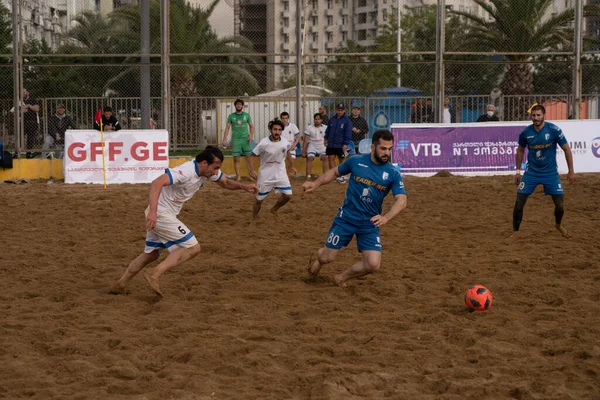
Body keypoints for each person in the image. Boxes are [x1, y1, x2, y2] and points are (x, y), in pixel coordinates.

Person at [110, 146, 258, 297]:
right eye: (216, 168)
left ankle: (120, 284)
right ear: (205, 163)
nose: (216, 172)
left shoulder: (206, 172)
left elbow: (226, 182)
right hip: (161, 215)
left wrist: (244, 187)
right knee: (193, 247)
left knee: (151, 254)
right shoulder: (186, 171)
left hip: (163, 214)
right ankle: (154, 274)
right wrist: (153, 212)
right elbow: (156, 183)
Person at [303, 130, 408, 287]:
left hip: (369, 223)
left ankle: (341, 277)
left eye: (390, 149)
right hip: (346, 218)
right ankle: (319, 259)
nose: (387, 152)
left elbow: (402, 200)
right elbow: (334, 172)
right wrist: (315, 183)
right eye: (383, 148)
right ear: (373, 147)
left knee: (373, 264)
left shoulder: (392, 173)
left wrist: (386, 217)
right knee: (327, 258)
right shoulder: (356, 161)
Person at [512, 104, 574, 238]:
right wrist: (517, 171)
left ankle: (558, 225)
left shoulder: (554, 130)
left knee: (560, 206)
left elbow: (567, 150)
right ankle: (515, 232)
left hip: (550, 173)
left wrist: (571, 171)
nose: (536, 118)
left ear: (544, 115)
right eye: (533, 115)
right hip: (531, 173)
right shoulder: (525, 133)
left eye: (538, 115)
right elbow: (520, 150)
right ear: (531, 117)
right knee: (519, 203)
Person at [249, 119, 293, 219]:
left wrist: (292, 165)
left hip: (280, 173)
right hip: (266, 175)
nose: (277, 132)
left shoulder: (285, 142)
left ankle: (274, 209)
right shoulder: (263, 143)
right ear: (270, 130)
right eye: (275, 129)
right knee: (259, 200)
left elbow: (288, 152)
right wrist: (251, 170)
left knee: (288, 195)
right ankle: (254, 217)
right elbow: (251, 155)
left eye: (279, 130)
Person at [222, 98, 255, 181]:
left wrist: (251, 136)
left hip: (245, 140)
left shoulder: (246, 115)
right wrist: (224, 139)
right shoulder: (231, 116)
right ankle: (238, 176)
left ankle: (250, 175)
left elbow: (251, 126)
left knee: (248, 157)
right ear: (235, 106)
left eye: (240, 104)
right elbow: (227, 128)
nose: (239, 105)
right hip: (236, 140)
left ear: (242, 106)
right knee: (236, 158)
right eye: (237, 104)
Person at [10, 88, 40, 158]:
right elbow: (12, 113)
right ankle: (17, 153)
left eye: (24, 92)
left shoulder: (32, 100)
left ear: (28, 93)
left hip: (33, 121)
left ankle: (28, 154)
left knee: (30, 138)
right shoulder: (19, 102)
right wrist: (21, 112)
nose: (23, 93)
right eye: (22, 93)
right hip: (23, 122)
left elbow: (37, 108)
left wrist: (29, 106)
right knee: (19, 138)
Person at [325, 103, 352, 173]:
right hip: (331, 144)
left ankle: (341, 175)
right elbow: (328, 130)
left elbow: (348, 133)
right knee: (331, 159)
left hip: (341, 144)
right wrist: (325, 139)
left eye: (342, 110)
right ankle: (333, 175)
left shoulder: (347, 121)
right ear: (336, 110)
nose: (340, 112)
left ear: (344, 111)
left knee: (341, 160)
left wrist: (345, 144)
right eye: (338, 110)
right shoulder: (332, 119)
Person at [302, 113, 328, 180]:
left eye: (318, 119)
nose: (317, 120)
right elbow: (305, 140)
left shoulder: (325, 127)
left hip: (322, 145)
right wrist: (304, 150)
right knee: (310, 158)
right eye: (315, 119)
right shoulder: (309, 127)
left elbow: (328, 138)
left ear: (321, 120)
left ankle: (325, 175)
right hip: (312, 145)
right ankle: (308, 176)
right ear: (314, 120)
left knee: (325, 157)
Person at [280, 111, 301, 176]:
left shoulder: (293, 126)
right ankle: (282, 174)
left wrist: (294, 145)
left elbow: (298, 137)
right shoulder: (279, 127)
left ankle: (287, 175)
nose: (284, 120)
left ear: (288, 118)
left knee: (292, 159)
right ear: (281, 119)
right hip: (281, 147)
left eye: (286, 118)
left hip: (291, 146)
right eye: (283, 118)